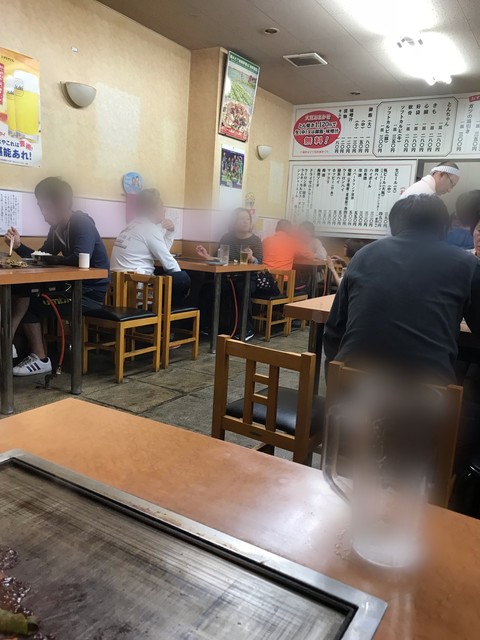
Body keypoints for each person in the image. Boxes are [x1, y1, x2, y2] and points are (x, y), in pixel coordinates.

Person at [324, 194, 480, 384]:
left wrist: (336, 380)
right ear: (444, 229)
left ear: (394, 227)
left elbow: (334, 329)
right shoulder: (466, 263)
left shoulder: (363, 255)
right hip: (426, 392)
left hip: (354, 386)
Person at [4, 177, 110, 376]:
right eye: (40, 207)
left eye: (45, 207)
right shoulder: (57, 228)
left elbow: (80, 257)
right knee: (21, 293)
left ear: (60, 204)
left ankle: (39, 358)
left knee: (30, 303)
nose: (43, 213)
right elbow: (40, 256)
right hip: (70, 289)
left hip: (88, 294)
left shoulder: (80, 222)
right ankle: (9, 345)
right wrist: (18, 246)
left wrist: (50, 259)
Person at [110, 188, 190, 306]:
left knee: (171, 276)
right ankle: (165, 315)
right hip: (136, 293)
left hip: (119, 290)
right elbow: (170, 263)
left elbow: (160, 254)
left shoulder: (132, 225)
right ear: (152, 209)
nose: (165, 209)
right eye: (161, 205)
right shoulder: (149, 228)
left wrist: (170, 232)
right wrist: (184, 284)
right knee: (182, 278)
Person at [196, 208, 262, 340]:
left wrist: (252, 258)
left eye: (247, 219)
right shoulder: (226, 238)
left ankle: (246, 329)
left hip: (248, 278)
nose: (245, 222)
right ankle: (207, 327)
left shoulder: (255, 240)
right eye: (241, 219)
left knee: (242, 289)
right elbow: (219, 258)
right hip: (226, 277)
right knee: (207, 289)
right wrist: (207, 256)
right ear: (234, 222)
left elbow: (260, 263)